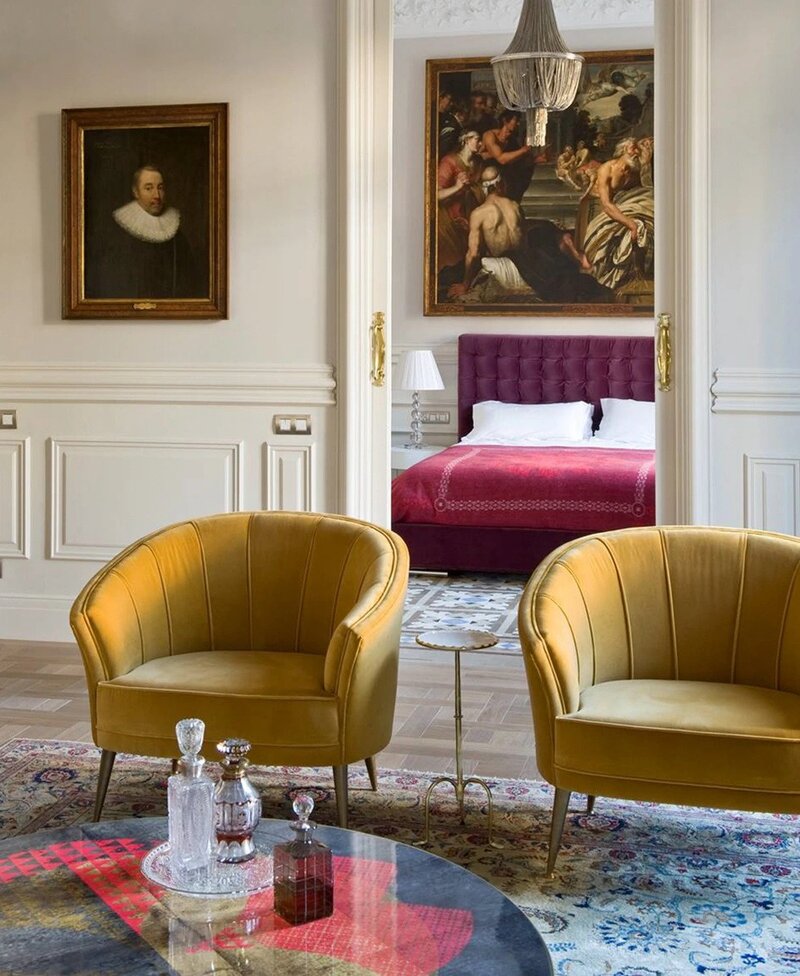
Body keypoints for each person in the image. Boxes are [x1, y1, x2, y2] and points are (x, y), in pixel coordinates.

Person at [85, 164, 203, 299]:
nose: (157, 195)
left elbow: (189, 280)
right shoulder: (117, 232)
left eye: (160, 188)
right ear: (136, 192)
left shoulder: (175, 232)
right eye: (149, 188)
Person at [436, 130, 485, 281]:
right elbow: (436, 195)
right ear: (466, 140)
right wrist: (457, 187)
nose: (481, 143)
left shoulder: (477, 163)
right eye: (477, 139)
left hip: (469, 212)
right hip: (449, 218)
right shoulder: (449, 162)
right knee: (452, 258)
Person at [481, 111, 536, 202]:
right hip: (488, 175)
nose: (518, 123)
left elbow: (517, 159)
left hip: (504, 178)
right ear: (505, 121)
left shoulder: (511, 140)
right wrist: (523, 150)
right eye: (516, 120)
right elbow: (501, 159)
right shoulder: (490, 135)